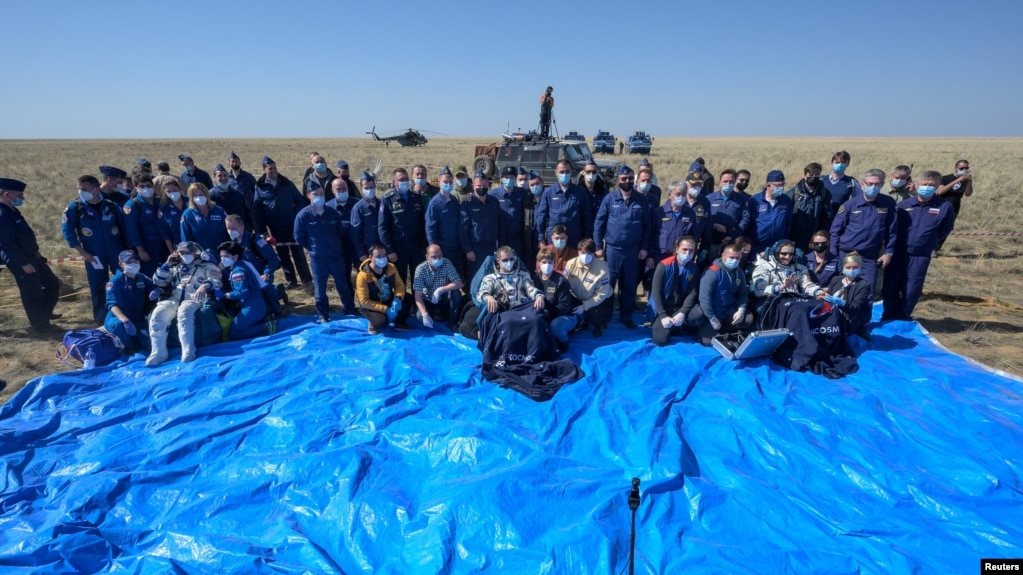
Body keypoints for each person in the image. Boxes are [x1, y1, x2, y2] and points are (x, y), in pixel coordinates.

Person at [882, 170, 955, 321]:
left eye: (931, 185)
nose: (927, 187)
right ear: (917, 184)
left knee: (911, 289)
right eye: (924, 184)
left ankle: (903, 316)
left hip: (920, 255)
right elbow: (894, 228)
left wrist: (929, 242)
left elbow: (945, 229)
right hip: (898, 253)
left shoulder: (944, 207)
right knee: (890, 287)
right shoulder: (904, 205)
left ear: (937, 186)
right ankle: (888, 315)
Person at [0, 178, 62, 335]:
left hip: (33, 257)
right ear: (7, 194)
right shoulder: (2, 215)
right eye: (20, 195)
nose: (23, 198)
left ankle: (44, 314)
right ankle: (41, 326)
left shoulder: (11, 211)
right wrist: (23, 264)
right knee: (32, 294)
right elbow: (7, 245)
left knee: (52, 284)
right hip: (22, 261)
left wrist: (37, 253)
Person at [62, 174, 127, 323]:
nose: (81, 191)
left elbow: (124, 229)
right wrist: (83, 253)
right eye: (79, 189)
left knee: (123, 281)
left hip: (116, 252)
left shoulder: (111, 206)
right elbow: (68, 232)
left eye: (85, 189)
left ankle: (125, 313)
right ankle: (101, 318)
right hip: (93, 254)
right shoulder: (75, 208)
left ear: (96, 189)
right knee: (98, 286)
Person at [146, 241, 223, 366]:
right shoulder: (176, 267)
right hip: (175, 298)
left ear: (195, 253)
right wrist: (167, 264)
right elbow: (159, 281)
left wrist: (205, 285)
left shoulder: (206, 266)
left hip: (195, 297)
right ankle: (158, 352)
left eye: (187, 253)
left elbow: (217, 281)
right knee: (158, 313)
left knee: (184, 311)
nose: (184, 255)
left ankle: (188, 350)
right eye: (181, 253)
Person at [594, 165, 650, 329]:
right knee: (608, 285)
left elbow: (647, 226)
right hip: (612, 250)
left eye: (630, 178)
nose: (627, 181)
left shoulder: (641, 200)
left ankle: (626, 316)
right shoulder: (609, 199)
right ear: (618, 180)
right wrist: (598, 246)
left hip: (633, 250)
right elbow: (599, 223)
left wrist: (644, 247)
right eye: (624, 179)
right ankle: (605, 316)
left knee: (629, 285)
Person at [829, 168, 897, 299]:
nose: (873, 187)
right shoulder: (850, 205)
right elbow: (835, 231)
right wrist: (834, 255)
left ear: (882, 184)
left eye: (877, 184)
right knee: (842, 291)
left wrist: (888, 252)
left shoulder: (888, 203)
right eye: (870, 184)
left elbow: (892, 231)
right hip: (846, 253)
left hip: (869, 256)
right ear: (862, 184)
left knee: (867, 291)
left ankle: (863, 319)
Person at [293, 181, 355, 322]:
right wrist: (313, 248)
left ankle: (349, 311)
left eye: (321, 194)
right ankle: (323, 315)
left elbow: (340, 231)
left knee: (343, 287)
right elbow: (298, 237)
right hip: (318, 260)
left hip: (336, 257)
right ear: (308, 195)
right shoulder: (303, 216)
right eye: (316, 194)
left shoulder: (332, 213)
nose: (319, 197)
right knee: (320, 291)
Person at [252, 155, 311, 288]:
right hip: (275, 228)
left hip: (291, 225)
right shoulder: (260, 187)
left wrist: (297, 217)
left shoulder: (287, 183)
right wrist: (262, 230)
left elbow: (300, 200)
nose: (273, 171)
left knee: (298, 253)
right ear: (264, 169)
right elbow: (258, 210)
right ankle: (291, 281)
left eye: (274, 168)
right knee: (283, 255)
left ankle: (307, 279)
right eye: (270, 169)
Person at [378, 167, 427, 328]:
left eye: (406, 178)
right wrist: (389, 250)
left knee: (417, 281)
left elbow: (422, 223)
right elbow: (382, 228)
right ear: (394, 182)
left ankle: (418, 308)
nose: (404, 181)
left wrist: (423, 245)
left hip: (416, 248)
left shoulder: (416, 197)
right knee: (399, 283)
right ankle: (399, 314)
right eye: (400, 179)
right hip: (397, 250)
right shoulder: (387, 199)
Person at [649, 236, 705, 347]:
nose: (687, 253)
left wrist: (683, 312)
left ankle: (679, 323)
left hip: (680, 308)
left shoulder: (694, 268)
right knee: (660, 341)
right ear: (676, 249)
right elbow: (656, 292)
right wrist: (663, 315)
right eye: (684, 249)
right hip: (663, 309)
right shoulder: (663, 265)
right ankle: (673, 326)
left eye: (691, 250)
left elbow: (692, 293)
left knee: (698, 315)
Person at [225, 213, 285, 310]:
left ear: (242, 227)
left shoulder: (255, 240)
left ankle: (276, 306)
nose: (231, 231)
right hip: (244, 278)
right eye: (228, 228)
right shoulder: (230, 245)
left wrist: (267, 273)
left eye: (234, 228)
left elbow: (273, 259)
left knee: (267, 290)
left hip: (261, 275)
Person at [696, 243, 753, 346]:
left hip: (728, 310)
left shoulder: (739, 272)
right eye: (731, 257)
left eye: (737, 258)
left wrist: (741, 310)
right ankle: (705, 328)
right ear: (723, 255)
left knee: (748, 319)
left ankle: (724, 328)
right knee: (707, 342)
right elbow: (704, 298)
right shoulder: (712, 272)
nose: (734, 260)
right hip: (713, 311)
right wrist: (712, 317)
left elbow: (743, 294)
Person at [104, 250, 159, 353]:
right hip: (118, 317)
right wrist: (125, 320)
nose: (133, 264)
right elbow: (112, 305)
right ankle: (128, 346)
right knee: (119, 326)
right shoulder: (115, 281)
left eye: (136, 262)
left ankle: (134, 340)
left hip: (137, 317)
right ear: (121, 264)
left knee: (148, 343)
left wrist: (155, 290)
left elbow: (153, 286)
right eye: (129, 262)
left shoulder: (141, 277)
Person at [751, 239, 825, 312]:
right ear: (776, 253)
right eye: (784, 253)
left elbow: (807, 285)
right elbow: (759, 290)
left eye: (791, 254)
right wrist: (780, 287)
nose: (788, 257)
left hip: (795, 302)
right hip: (774, 303)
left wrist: (819, 292)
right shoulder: (763, 268)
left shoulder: (799, 268)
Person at [652, 175, 712, 263]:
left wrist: (693, 254)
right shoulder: (659, 212)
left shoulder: (690, 213)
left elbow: (693, 236)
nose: (681, 197)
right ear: (669, 195)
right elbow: (651, 234)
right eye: (678, 194)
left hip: (681, 257)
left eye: (683, 194)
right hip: (660, 256)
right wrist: (650, 256)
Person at [215, 241, 269, 340]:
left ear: (235, 257)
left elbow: (242, 293)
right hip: (256, 304)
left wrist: (224, 295)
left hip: (252, 306)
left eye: (225, 256)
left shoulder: (237, 272)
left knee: (234, 334)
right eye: (221, 256)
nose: (222, 259)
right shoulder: (243, 264)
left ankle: (265, 327)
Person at [122, 173, 172, 277]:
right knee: (149, 276)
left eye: (148, 186)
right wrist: (140, 250)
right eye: (142, 186)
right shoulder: (132, 205)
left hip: (164, 245)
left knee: (167, 275)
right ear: (136, 188)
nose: (146, 189)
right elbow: (132, 230)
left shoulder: (160, 202)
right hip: (147, 247)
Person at [535, 159, 593, 246]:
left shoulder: (580, 192)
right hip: (555, 240)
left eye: (567, 171)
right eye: (561, 172)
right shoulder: (548, 192)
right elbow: (541, 216)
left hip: (575, 239)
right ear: (556, 173)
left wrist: (587, 238)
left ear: (571, 172)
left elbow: (587, 216)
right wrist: (541, 238)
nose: (564, 174)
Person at [563, 238, 613, 336]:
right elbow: (564, 282)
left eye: (589, 253)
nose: (585, 255)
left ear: (594, 253)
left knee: (595, 316)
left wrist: (585, 306)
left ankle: (599, 324)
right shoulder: (570, 264)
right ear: (578, 252)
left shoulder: (603, 268)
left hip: (599, 299)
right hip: (577, 296)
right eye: (582, 252)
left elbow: (601, 294)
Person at [460, 169, 502, 281]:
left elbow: (499, 224)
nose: (482, 187)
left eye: (484, 185)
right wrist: (468, 250)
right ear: (473, 186)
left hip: (492, 248)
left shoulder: (494, 202)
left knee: (492, 278)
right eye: (479, 185)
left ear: (488, 185)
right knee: (476, 279)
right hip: (475, 249)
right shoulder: (467, 203)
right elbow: (463, 229)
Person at [355, 244, 407, 335]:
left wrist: (397, 299)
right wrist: (386, 309)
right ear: (371, 257)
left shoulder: (391, 267)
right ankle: (373, 322)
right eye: (378, 256)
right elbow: (364, 301)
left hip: (387, 299)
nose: (382, 258)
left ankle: (398, 322)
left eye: (384, 255)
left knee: (408, 298)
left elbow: (399, 285)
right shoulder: (362, 276)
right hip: (371, 306)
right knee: (381, 324)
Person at [477, 245, 545, 313]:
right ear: (498, 261)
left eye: (511, 259)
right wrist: (489, 297)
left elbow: (530, 288)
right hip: (503, 310)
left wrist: (539, 296)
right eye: (505, 260)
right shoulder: (491, 278)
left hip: (523, 308)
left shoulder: (523, 275)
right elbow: (481, 294)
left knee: (537, 319)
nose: (509, 262)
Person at [532, 247, 576, 352]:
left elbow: (564, 306)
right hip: (543, 314)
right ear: (538, 264)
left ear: (554, 263)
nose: (547, 265)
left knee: (555, 326)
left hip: (564, 316)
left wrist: (547, 313)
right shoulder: (534, 280)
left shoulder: (561, 281)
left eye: (550, 262)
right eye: (544, 262)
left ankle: (563, 341)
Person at [412, 244, 463, 329]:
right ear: (427, 257)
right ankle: (431, 314)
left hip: (443, 298)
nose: (438, 259)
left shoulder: (446, 263)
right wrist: (425, 314)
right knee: (420, 317)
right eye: (434, 257)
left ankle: (452, 322)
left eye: (440, 256)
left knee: (456, 293)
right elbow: (418, 296)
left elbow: (459, 283)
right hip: (427, 299)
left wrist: (441, 289)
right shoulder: (420, 269)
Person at [425, 167, 464, 278]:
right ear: (439, 182)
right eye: (445, 182)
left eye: (450, 182)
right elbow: (430, 227)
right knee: (443, 276)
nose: (448, 184)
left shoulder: (454, 200)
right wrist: (434, 247)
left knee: (456, 274)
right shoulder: (435, 203)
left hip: (456, 245)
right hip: (443, 247)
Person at [787, 162, 834, 250]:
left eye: (817, 175)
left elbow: (828, 216)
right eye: (811, 174)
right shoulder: (794, 192)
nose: (814, 177)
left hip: (815, 238)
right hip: (795, 237)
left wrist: (822, 234)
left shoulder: (824, 193)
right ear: (805, 175)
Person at [707, 168, 751, 261]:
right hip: (712, 243)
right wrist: (713, 225)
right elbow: (704, 218)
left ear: (735, 182)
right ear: (719, 182)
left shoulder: (742, 200)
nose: (728, 184)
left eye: (731, 181)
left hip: (732, 243)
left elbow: (745, 219)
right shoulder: (709, 199)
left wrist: (732, 235)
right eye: (725, 181)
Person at [824, 252, 871, 337]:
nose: (851, 270)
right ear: (843, 267)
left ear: (860, 267)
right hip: (833, 315)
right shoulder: (836, 280)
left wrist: (842, 303)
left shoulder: (864, 285)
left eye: (855, 267)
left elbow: (855, 308)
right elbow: (828, 295)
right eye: (848, 267)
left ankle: (860, 330)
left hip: (851, 319)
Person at [747, 170, 792, 254]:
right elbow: (748, 222)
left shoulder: (786, 200)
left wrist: (785, 241)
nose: (781, 188)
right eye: (777, 185)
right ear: (768, 185)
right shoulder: (754, 200)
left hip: (779, 246)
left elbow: (788, 223)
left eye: (782, 185)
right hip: (758, 245)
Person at [180, 183, 230, 255]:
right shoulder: (187, 214)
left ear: (206, 195)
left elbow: (229, 231)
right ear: (191, 197)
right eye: (195, 195)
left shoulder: (219, 211)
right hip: (202, 256)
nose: (199, 198)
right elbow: (186, 240)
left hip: (223, 254)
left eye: (201, 195)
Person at [325, 178, 360, 277]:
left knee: (364, 274)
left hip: (358, 246)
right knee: (344, 275)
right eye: (338, 189)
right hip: (341, 248)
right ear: (332, 191)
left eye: (344, 188)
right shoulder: (328, 208)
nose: (342, 191)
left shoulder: (358, 204)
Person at [497, 166, 529, 270]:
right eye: (506, 177)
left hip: (517, 238)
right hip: (501, 237)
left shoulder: (522, 193)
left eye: (511, 177)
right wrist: (470, 195)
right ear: (501, 179)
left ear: (515, 179)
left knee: (517, 264)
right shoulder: (493, 194)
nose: (509, 180)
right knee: (502, 265)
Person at [351, 170, 382, 263]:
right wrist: (361, 253)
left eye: (371, 187)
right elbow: (355, 233)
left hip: (383, 248)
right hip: (367, 250)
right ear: (361, 188)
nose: (369, 190)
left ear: (375, 186)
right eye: (366, 187)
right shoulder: (358, 208)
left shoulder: (382, 204)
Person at [823, 151, 861, 222]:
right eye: (837, 162)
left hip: (841, 220)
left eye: (843, 163)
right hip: (822, 221)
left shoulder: (852, 182)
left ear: (847, 164)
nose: (840, 165)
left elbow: (858, 202)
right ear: (831, 164)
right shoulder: (822, 180)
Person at [937, 159, 974, 226]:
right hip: (940, 205)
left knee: (947, 227)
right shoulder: (945, 178)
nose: (964, 170)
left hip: (954, 207)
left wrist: (969, 182)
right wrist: (958, 180)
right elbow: (940, 191)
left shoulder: (965, 181)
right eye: (962, 168)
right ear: (956, 168)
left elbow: (968, 194)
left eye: (966, 168)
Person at [522, 170, 545, 272]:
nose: (535, 186)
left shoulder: (548, 197)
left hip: (545, 241)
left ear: (542, 183)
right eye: (532, 185)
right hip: (530, 243)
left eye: (537, 183)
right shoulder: (527, 200)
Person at [227, 152, 258, 220]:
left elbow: (256, 192)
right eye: (232, 161)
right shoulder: (226, 178)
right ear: (229, 163)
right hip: (233, 211)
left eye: (236, 161)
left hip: (249, 211)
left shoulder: (248, 177)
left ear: (240, 163)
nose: (235, 163)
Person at [158, 180, 187, 247]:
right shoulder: (163, 206)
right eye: (168, 191)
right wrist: (171, 250)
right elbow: (164, 231)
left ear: (180, 188)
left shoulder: (189, 201)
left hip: (196, 243)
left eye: (174, 190)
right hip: (179, 245)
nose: (172, 193)